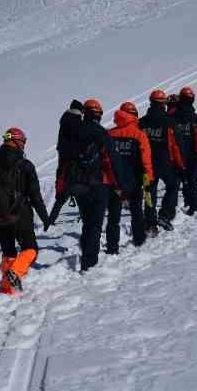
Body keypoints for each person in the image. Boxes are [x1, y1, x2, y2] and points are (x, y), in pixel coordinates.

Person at [0, 127, 51, 296]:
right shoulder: (25, 165)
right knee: (30, 249)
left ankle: (7, 289)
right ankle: (15, 272)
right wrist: (44, 216)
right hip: (20, 214)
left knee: (8, 251)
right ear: (19, 142)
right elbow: (35, 195)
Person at [62, 100, 116, 271]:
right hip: (97, 184)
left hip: (78, 185)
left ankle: (87, 256)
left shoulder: (71, 132)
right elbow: (111, 160)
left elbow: (64, 159)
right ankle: (89, 263)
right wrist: (120, 184)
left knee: (87, 223)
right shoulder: (101, 133)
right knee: (95, 225)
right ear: (98, 115)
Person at [104, 101, 153, 254]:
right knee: (136, 211)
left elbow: (104, 160)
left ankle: (112, 248)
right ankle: (139, 240)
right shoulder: (139, 134)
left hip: (114, 182)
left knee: (113, 217)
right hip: (134, 180)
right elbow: (146, 159)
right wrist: (149, 178)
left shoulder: (109, 134)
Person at [138, 89, 186, 232]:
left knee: (149, 192)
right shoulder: (170, 122)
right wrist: (181, 165)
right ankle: (165, 215)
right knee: (173, 186)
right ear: (163, 104)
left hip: (146, 164)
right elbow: (177, 146)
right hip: (166, 163)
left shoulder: (142, 123)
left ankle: (150, 223)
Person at [168, 87, 197, 216]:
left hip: (175, 155)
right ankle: (194, 206)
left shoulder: (171, 116)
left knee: (174, 185)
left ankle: (171, 212)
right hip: (193, 155)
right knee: (192, 182)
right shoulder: (195, 117)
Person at [47, 100, 86, 225]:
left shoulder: (64, 121)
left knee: (62, 194)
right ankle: (85, 219)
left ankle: (50, 220)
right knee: (80, 192)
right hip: (74, 162)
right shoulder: (77, 121)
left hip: (63, 162)